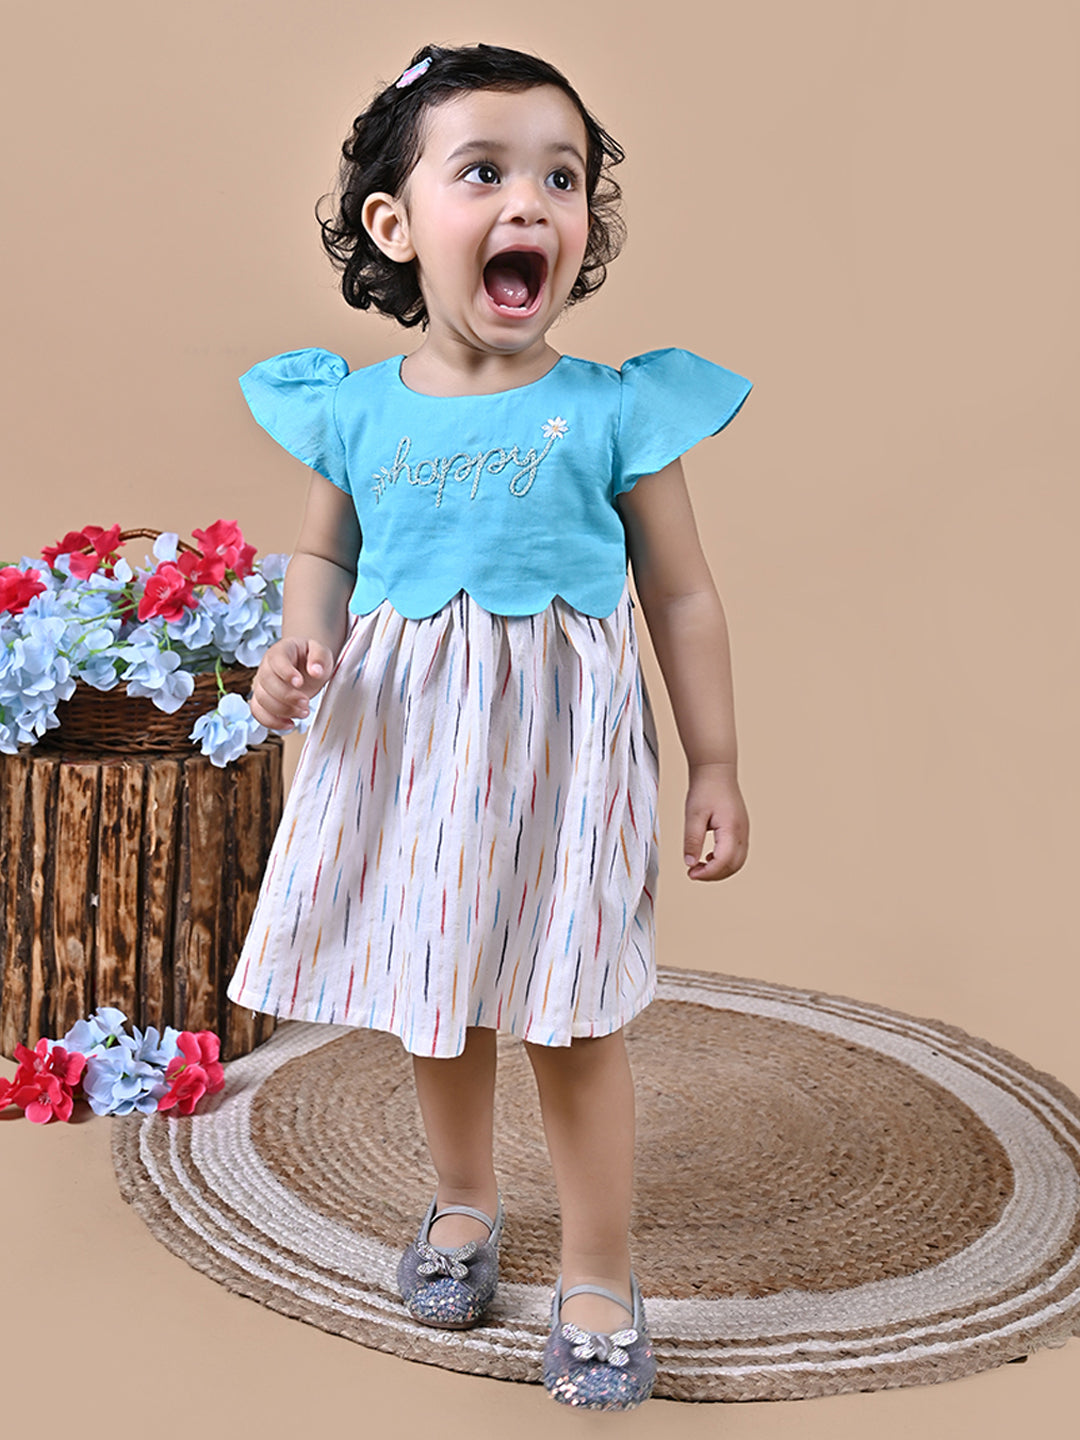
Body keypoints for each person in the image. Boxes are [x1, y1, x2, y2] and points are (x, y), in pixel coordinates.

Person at [225, 41, 752, 1411]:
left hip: (562, 762)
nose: (532, 205)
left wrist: (716, 762)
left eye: (561, 177)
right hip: (407, 748)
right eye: (487, 172)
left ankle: (596, 1266)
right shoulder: (354, 410)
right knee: (434, 993)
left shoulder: (613, 410)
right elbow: (325, 561)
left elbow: (684, 597)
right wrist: (299, 648)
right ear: (399, 227)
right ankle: (463, 1204)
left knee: (572, 1017)